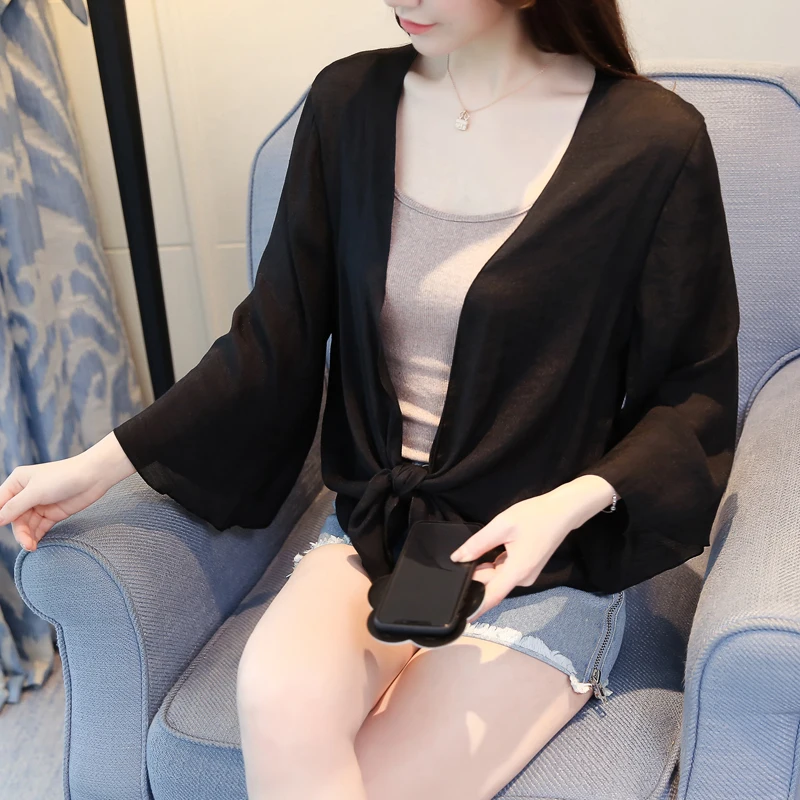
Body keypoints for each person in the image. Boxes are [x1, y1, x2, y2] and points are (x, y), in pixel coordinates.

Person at [0, 0, 741, 798]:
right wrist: (95, 465)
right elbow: (270, 342)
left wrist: (567, 504)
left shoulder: (653, 143)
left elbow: (691, 393)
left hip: (542, 559)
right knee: (276, 698)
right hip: (376, 530)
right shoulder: (347, 106)